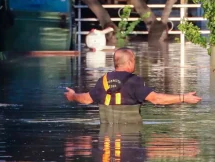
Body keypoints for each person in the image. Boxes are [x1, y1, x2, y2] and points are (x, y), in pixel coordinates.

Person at [64, 47, 202, 123]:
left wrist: (73, 96)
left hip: (106, 133)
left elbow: (86, 99)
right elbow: (156, 99)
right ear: (129, 62)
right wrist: (183, 98)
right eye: (134, 60)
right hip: (131, 133)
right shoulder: (134, 81)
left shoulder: (103, 80)